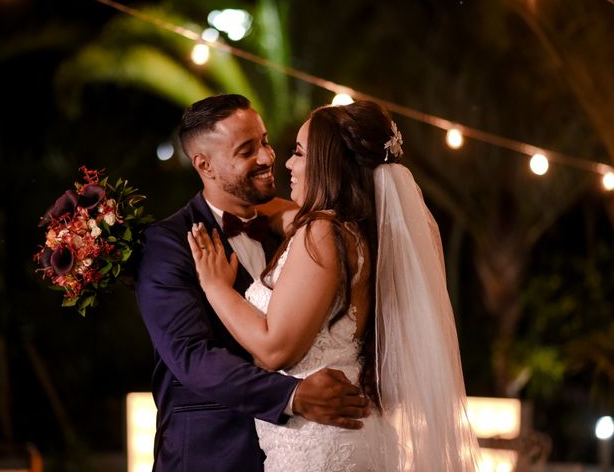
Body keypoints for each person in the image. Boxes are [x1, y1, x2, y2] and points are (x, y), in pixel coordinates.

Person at [188, 100, 480, 471]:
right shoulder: (364, 230)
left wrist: (216, 288)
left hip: (320, 447)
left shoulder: (323, 231)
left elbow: (275, 349)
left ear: (328, 163)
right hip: (345, 436)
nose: (287, 164)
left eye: (298, 152)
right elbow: (283, 214)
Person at [135, 94, 370, 472]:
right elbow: (192, 358)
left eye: (264, 141)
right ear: (205, 165)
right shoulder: (168, 244)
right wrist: (292, 396)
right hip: (212, 455)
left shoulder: (301, 229)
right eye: (247, 150)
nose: (267, 157)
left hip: (306, 447)